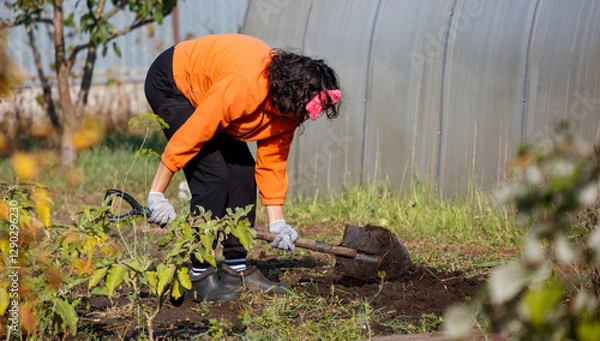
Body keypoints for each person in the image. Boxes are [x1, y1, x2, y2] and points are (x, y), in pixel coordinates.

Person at [143, 33, 342, 302]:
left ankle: (236, 267)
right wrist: (157, 193)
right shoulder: (245, 87)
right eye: (305, 111)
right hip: (173, 82)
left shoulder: (289, 111)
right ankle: (198, 272)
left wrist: (278, 223)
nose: (306, 118)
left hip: (215, 93)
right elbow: (193, 134)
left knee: (242, 173)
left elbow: (272, 164)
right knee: (213, 176)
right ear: (292, 92)